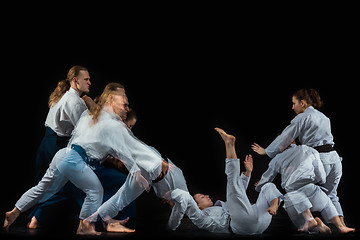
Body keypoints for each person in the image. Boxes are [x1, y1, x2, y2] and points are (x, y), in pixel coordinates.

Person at [4, 83, 167, 235]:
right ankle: (85, 226)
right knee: (95, 190)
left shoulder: (91, 115)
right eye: (123, 103)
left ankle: (14, 212)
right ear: (111, 100)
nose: (126, 107)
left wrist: (136, 170)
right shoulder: (111, 123)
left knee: (43, 188)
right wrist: (156, 161)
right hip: (76, 160)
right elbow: (132, 146)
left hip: (63, 155)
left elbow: (121, 149)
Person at [251, 88, 346, 226]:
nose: (292, 107)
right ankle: (342, 225)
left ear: (302, 103)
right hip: (335, 159)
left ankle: (311, 222)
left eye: (294, 103)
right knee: (332, 195)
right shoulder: (325, 118)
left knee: (298, 190)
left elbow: (285, 137)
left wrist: (267, 151)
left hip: (320, 158)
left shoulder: (303, 117)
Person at [166, 128, 283, 235]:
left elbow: (238, 193)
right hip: (243, 226)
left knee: (268, 186)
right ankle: (229, 144)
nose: (207, 196)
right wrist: (171, 197)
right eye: (201, 197)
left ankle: (274, 206)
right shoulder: (199, 217)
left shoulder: (224, 206)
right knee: (233, 184)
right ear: (198, 206)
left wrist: (248, 173)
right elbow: (184, 197)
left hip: (262, 222)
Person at [28, 65, 93, 228]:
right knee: (65, 186)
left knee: (45, 184)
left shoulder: (64, 96)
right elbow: (84, 131)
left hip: (47, 143)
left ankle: (34, 218)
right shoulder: (75, 102)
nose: (90, 82)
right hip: (56, 144)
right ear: (75, 81)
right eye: (86, 79)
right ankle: (37, 217)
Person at [255, 143, 355, 234]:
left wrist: (259, 186)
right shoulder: (308, 149)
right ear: (293, 141)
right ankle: (340, 226)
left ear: (279, 146)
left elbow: (267, 177)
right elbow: (320, 171)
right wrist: (321, 180)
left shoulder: (277, 159)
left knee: (302, 223)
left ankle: (312, 222)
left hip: (295, 197)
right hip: (311, 189)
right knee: (327, 205)